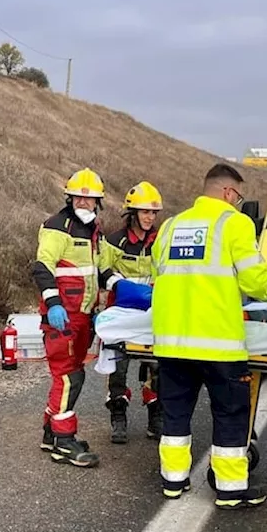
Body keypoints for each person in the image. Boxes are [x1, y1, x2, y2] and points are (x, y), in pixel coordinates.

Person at [150, 163, 267, 508]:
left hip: (171, 341)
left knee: (175, 413)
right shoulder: (235, 223)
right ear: (229, 193)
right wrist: (266, 289)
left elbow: (159, 273)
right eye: (238, 196)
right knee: (230, 413)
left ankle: (173, 482)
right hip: (219, 343)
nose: (237, 202)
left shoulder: (172, 225)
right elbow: (254, 282)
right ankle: (231, 490)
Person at [31, 167, 115, 467]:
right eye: (78, 197)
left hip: (83, 317)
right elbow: (43, 267)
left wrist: (120, 285)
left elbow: (101, 270)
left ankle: (50, 432)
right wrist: (53, 304)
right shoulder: (57, 226)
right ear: (69, 197)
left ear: (97, 203)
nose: (83, 203)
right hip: (62, 317)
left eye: (89, 199)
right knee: (69, 377)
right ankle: (63, 442)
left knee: (70, 373)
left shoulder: (94, 232)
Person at [100, 181, 162, 444]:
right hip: (121, 312)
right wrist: (120, 285)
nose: (149, 217)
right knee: (118, 367)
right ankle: (118, 416)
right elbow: (102, 271)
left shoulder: (160, 241)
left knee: (157, 366)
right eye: (145, 212)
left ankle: (156, 417)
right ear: (132, 213)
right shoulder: (114, 241)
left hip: (152, 311)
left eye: (153, 213)